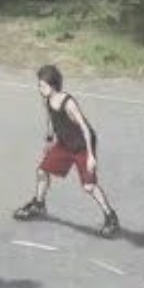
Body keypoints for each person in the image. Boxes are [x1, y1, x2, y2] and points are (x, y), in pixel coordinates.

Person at [13, 64, 121, 238]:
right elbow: (50, 119)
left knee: (89, 186)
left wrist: (91, 156)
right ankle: (39, 204)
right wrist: (49, 141)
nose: (40, 88)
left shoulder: (68, 102)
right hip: (64, 144)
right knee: (42, 171)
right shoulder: (47, 100)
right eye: (39, 85)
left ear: (53, 85)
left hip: (82, 146)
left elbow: (85, 127)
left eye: (42, 85)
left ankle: (111, 216)